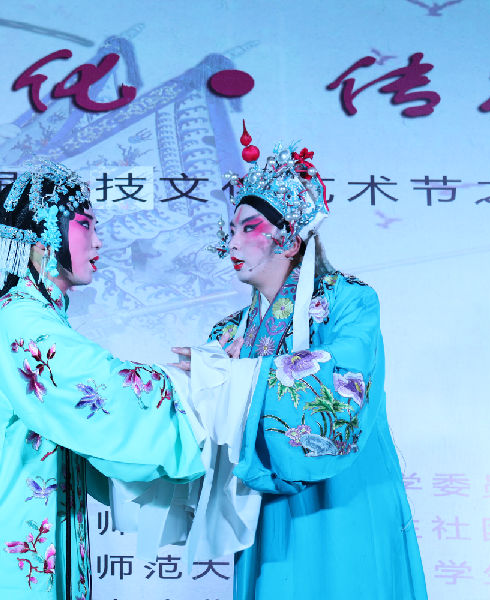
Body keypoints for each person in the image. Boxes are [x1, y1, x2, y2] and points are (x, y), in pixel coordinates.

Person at [0, 160, 205, 599]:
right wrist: (189, 384)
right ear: (42, 240)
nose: (98, 241)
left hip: (12, 508)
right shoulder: (21, 319)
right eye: (85, 225)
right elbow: (99, 385)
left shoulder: (30, 312)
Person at [177, 132, 427, 599]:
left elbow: (346, 381)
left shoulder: (350, 302)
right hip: (268, 498)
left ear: (289, 237)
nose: (233, 242)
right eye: (230, 231)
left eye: (248, 228)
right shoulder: (229, 333)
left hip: (346, 491)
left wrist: (241, 376)